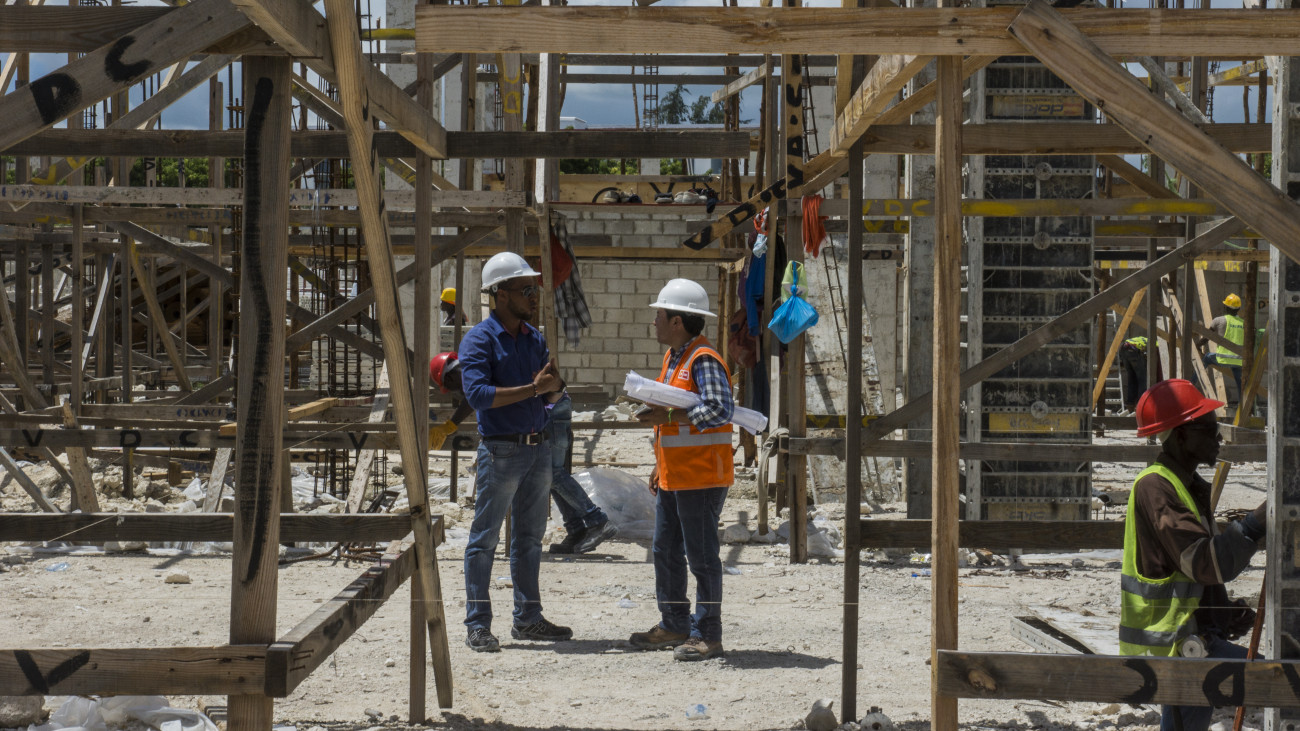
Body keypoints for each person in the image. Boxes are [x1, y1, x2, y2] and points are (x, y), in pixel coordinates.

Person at [1123, 379, 1266, 731]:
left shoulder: (1183, 485)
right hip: (1175, 642)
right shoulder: (1156, 487)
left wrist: (1221, 612)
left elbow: (1183, 572)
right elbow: (1205, 562)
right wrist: (1258, 521)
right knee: (1276, 681)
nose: (1218, 438)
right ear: (1181, 436)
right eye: (1209, 429)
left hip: (1193, 636)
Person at [458, 251, 571, 653]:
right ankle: (477, 625)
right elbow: (478, 395)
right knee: (484, 540)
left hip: (538, 449)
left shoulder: (533, 338)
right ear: (500, 294)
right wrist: (534, 390)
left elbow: (548, 393)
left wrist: (553, 390)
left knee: (529, 540)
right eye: (526, 290)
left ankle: (528, 618)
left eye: (534, 289)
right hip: (501, 451)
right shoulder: (479, 340)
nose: (533, 296)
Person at [629, 279, 734, 662]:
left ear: (677, 321)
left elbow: (719, 409)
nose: (654, 321)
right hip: (676, 475)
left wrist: (669, 416)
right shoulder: (675, 357)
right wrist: (660, 464)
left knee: (701, 557)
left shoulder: (702, 359)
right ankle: (674, 623)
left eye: (659, 315)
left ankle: (707, 635)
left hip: (701, 477)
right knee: (665, 550)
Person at [429, 352, 618, 555]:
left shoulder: (474, 370)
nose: (456, 391)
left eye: (451, 386)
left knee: (552, 473)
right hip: (545, 408)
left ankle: (598, 521)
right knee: (549, 474)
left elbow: (472, 397)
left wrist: (451, 424)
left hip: (550, 407)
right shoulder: (481, 366)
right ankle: (576, 528)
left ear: (450, 376)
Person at [1197, 293, 1245, 400]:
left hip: (1222, 359)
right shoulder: (1244, 323)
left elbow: (1207, 336)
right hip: (1238, 361)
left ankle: (1192, 383)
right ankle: (1242, 404)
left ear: (1225, 307)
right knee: (1240, 383)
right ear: (1238, 309)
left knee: (1207, 357)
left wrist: (1197, 345)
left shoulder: (1219, 320)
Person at [1117, 335, 1152, 414]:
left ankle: (1130, 405)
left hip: (1123, 350)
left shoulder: (1141, 339)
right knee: (1142, 379)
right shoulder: (1155, 343)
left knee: (1132, 379)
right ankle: (1141, 405)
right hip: (1133, 351)